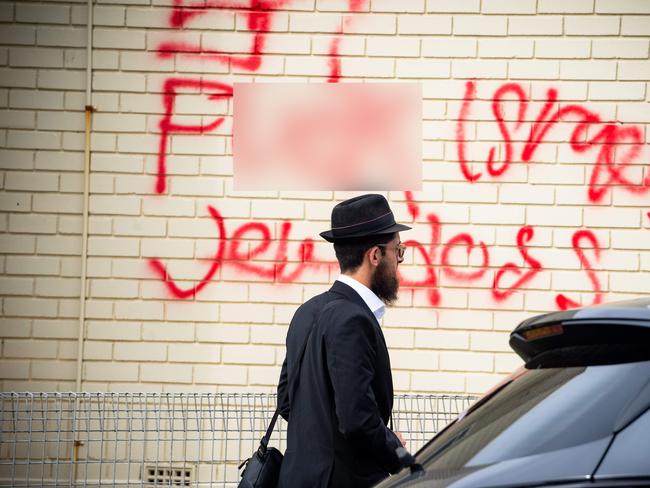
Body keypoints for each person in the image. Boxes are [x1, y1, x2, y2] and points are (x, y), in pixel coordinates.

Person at [276, 193, 410, 488]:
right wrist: (398, 453)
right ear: (375, 256)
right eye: (397, 251)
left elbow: (287, 401)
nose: (399, 262)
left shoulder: (307, 312)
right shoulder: (354, 319)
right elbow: (357, 420)